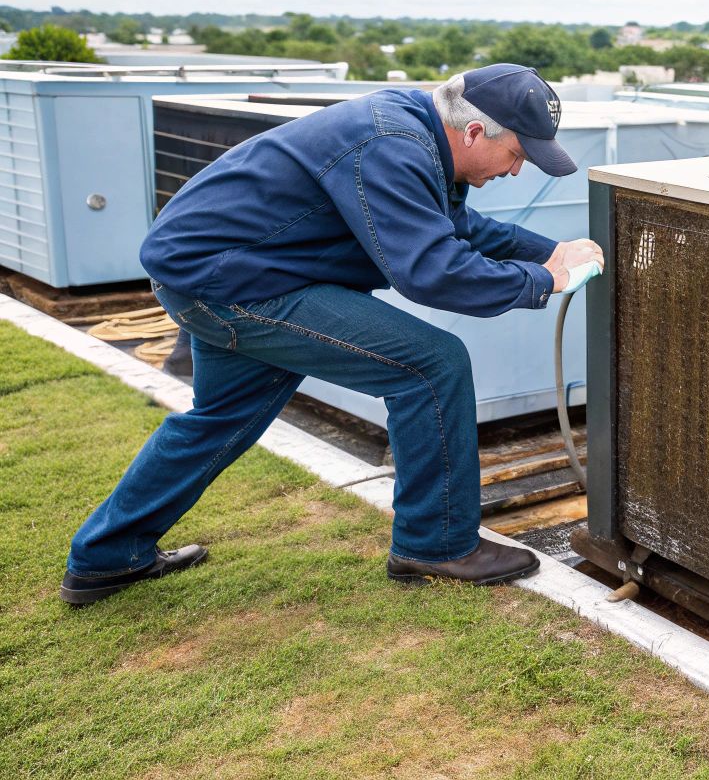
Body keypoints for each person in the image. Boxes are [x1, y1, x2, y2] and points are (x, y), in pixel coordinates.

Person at [60, 64, 605, 606]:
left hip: (217, 271)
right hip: (232, 282)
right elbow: (431, 271)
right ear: (474, 132)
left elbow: (454, 228)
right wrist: (543, 281)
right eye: (518, 155)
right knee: (432, 365)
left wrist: (546, 251)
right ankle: (435, 544)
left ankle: (105, 557)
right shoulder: (391, 143)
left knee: (219, 420)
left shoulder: (415, 134)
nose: (517, 171)